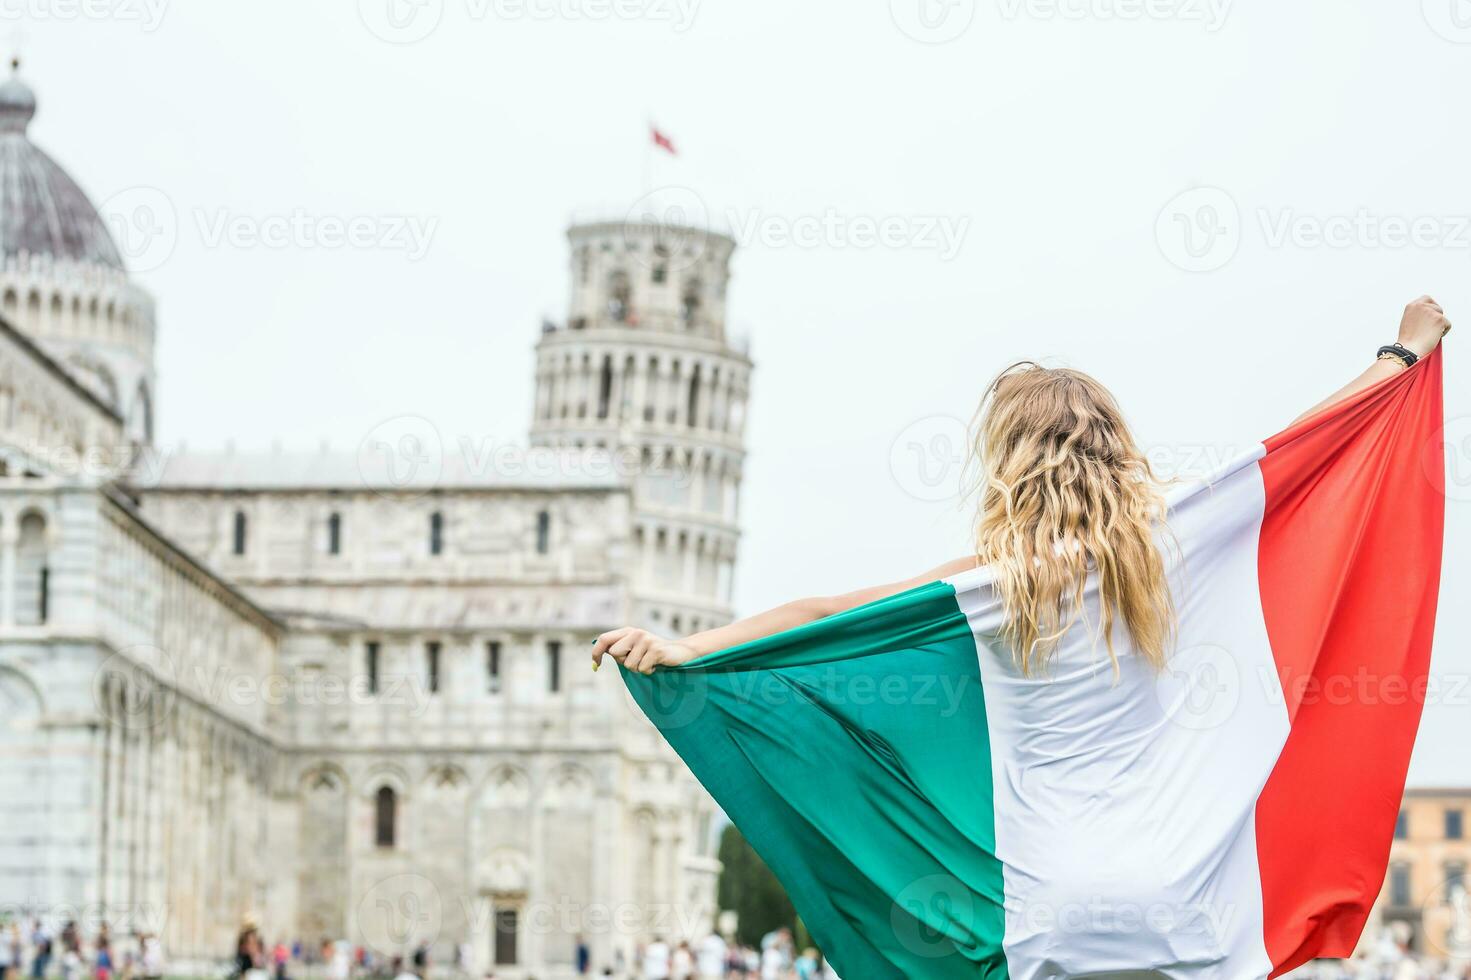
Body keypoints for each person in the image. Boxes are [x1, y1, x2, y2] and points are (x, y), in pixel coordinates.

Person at [594, 297, 1453, 973]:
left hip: (1053, 908)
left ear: (1008, 462)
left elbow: (824, 618)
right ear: (1114, 446)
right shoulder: (1173, 538)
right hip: (1183, 896)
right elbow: (1308, 448)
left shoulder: (989, 585)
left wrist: (687, 649)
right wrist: (1400, 355)